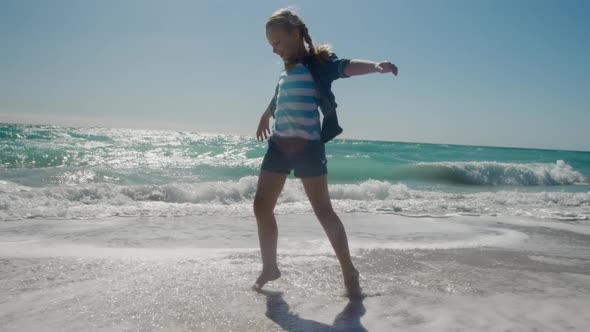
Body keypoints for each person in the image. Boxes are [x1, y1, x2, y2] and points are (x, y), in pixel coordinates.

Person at [253, 8, 398, 296]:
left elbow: (344, 67)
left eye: (278, 42)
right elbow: (277, 97)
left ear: (295, 34)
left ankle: (349, 271)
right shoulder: (286, 71)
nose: (274, 50)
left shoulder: (317, 65)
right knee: (261, 206)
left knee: (323, 211)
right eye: (271, 45)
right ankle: (270, 267)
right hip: (279, 146)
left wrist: (376, 66)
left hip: (308, 147)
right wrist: (265, 116)